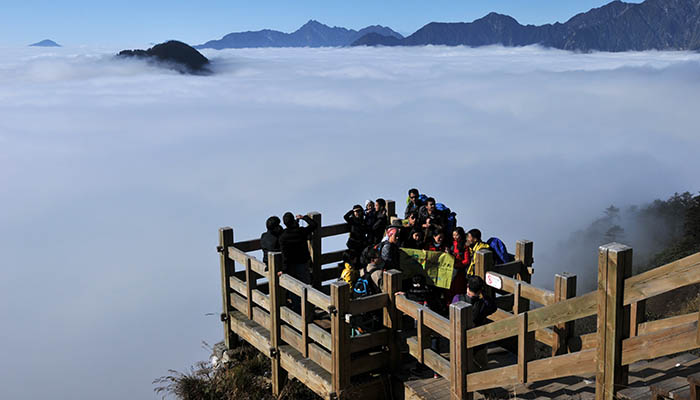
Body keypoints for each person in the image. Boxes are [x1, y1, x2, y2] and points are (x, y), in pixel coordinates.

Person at [462, 275, 497, 371]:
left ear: (467, 286)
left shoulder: (458, 299)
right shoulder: (483, 304)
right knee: (482, 365)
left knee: (464, 363)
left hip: (460, 340)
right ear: (480, 291)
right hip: (479, 339)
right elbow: (493, 307)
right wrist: (484, 294)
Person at [279, 212, 318, 284]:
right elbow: (314, 225)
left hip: (291, 265)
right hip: (303, 262)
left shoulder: (283, 237)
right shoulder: (301, 231)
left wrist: (284, 270)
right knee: (306, 285)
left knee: (294, 287)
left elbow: (285, 255)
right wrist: (304, 217)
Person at [448, 227, 470, 305]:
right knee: (451, 288)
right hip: (452, 269)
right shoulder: (453, 243)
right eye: (453, 235)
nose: (455, 237)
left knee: (458, 289)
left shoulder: (465, 245)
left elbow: (466, 260)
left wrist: (458, 265)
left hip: (460, 271)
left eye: (457, 235)